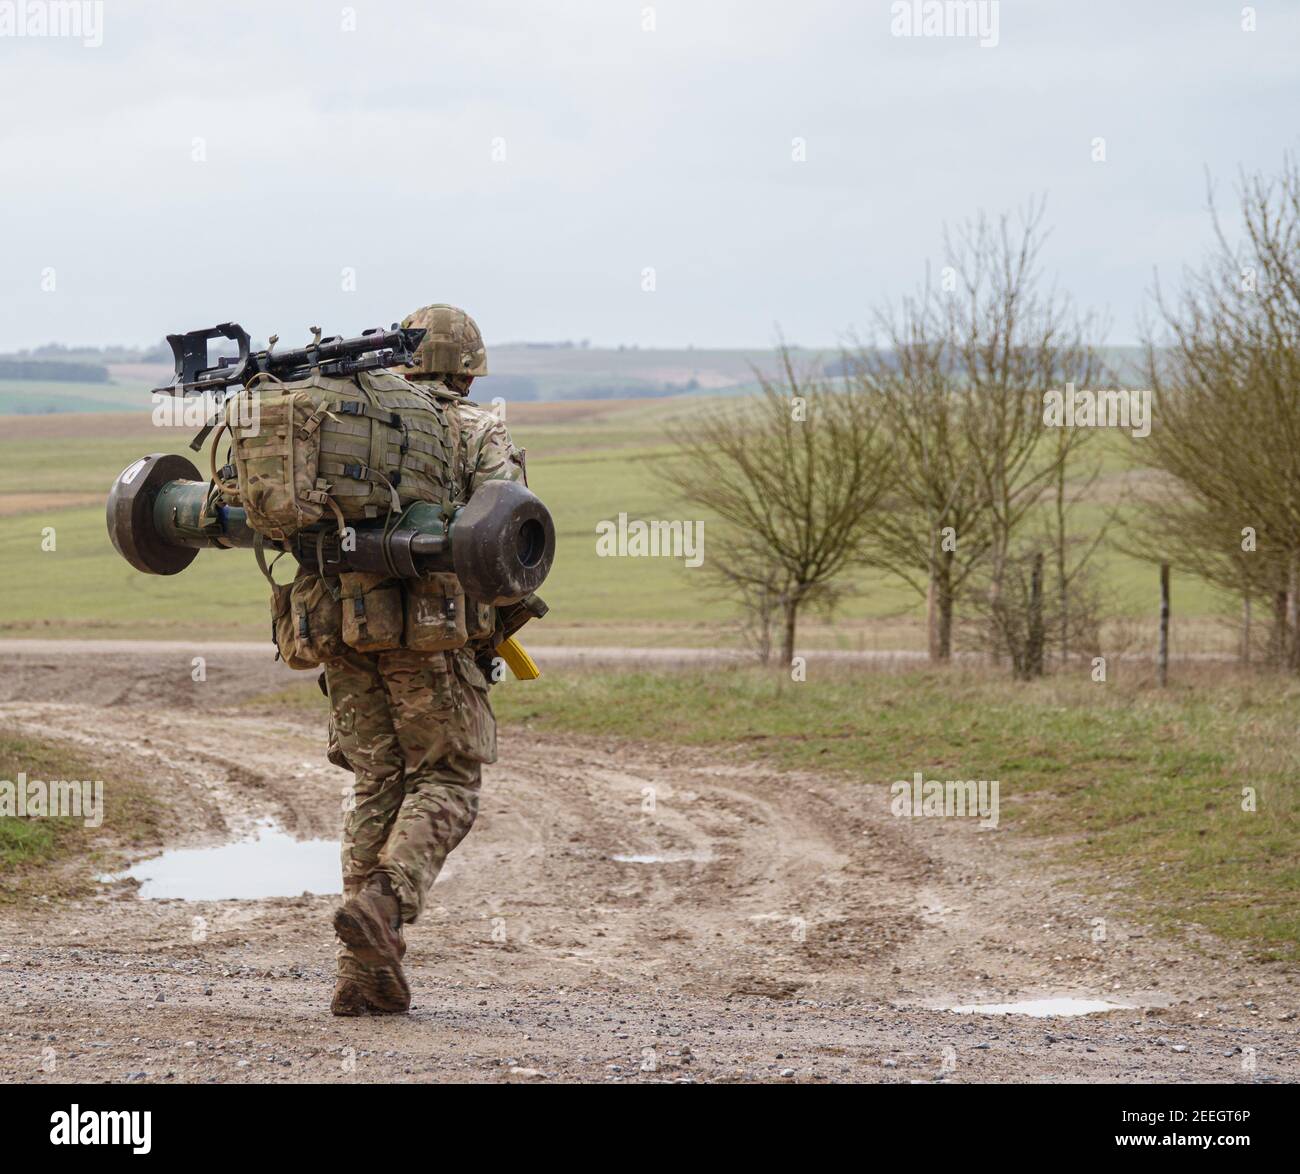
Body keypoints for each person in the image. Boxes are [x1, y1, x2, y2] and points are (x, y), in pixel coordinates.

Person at [325, 304, 527, 1015]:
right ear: (470, 369)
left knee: (378, 782)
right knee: (449, 776)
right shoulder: (475, 428)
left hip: (340, 631)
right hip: (431, 634)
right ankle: (385, 902)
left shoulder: (354, 423)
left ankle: (363, 975)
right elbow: (509, 536)